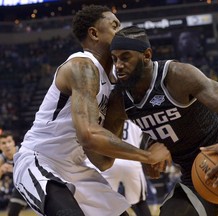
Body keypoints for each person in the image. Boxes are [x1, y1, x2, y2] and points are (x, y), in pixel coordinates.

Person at [109, 26, 218, 216]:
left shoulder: (177, 76)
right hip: (194, 173)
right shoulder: (119, 99)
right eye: (114, 59)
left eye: (125, 57)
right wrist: (145, 152)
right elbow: (117, 144)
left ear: (146, 55)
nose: (118, 65)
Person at [13, 6, 171, 216]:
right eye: (114, 25)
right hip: (39, 159)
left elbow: (102, 162)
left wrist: (120, 112)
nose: (120, 30)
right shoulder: (82, 66)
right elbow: (88, 135)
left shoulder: (113, 84)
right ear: (94, 33)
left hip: (76, 166)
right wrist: (147, 156)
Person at [102, 120, 152, 216]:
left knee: (107, 203)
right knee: (139, 202)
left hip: (110, 161)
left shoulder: (109, 118)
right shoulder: (137, 119)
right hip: (132, 161)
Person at [0, 131, 27, 215]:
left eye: (9, 142)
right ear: (0, 146)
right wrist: (1, 171)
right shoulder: (1, 158)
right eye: (4, 143)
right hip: (18, 188)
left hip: (31, 183)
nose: (7, 145)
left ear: (13, 143)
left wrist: (14, 169)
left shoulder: (22, 152)